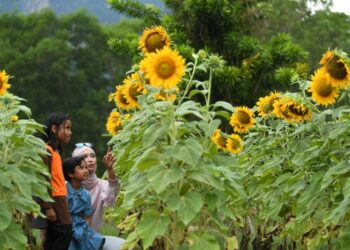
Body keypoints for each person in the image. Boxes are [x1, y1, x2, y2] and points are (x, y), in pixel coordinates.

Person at [39, 112, 73, 250]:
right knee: (66, 232)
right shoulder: (46, 150)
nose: (70, 132)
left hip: (59, 198)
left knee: (52, 238)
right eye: (67, 128)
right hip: (54, 199)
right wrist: (48, 207)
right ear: (54, 129)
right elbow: (43, 178)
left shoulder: (56, 151)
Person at [72, 143, 119, 232]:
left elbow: (111, 199)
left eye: (93, 156)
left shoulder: (102, 185)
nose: (90, 160)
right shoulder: (68, 186)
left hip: (94, 239)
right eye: (85, 157)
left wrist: (110, 169)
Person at [62, 156, 106, 250]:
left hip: (81, 226)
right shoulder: (63, 190)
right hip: (65, 224)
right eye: (81, 168)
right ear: (70, 173)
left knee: (94, 242)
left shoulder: (86, 194)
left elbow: (87, 217)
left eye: (86, 167)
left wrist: (84, 230)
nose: (86, 170)